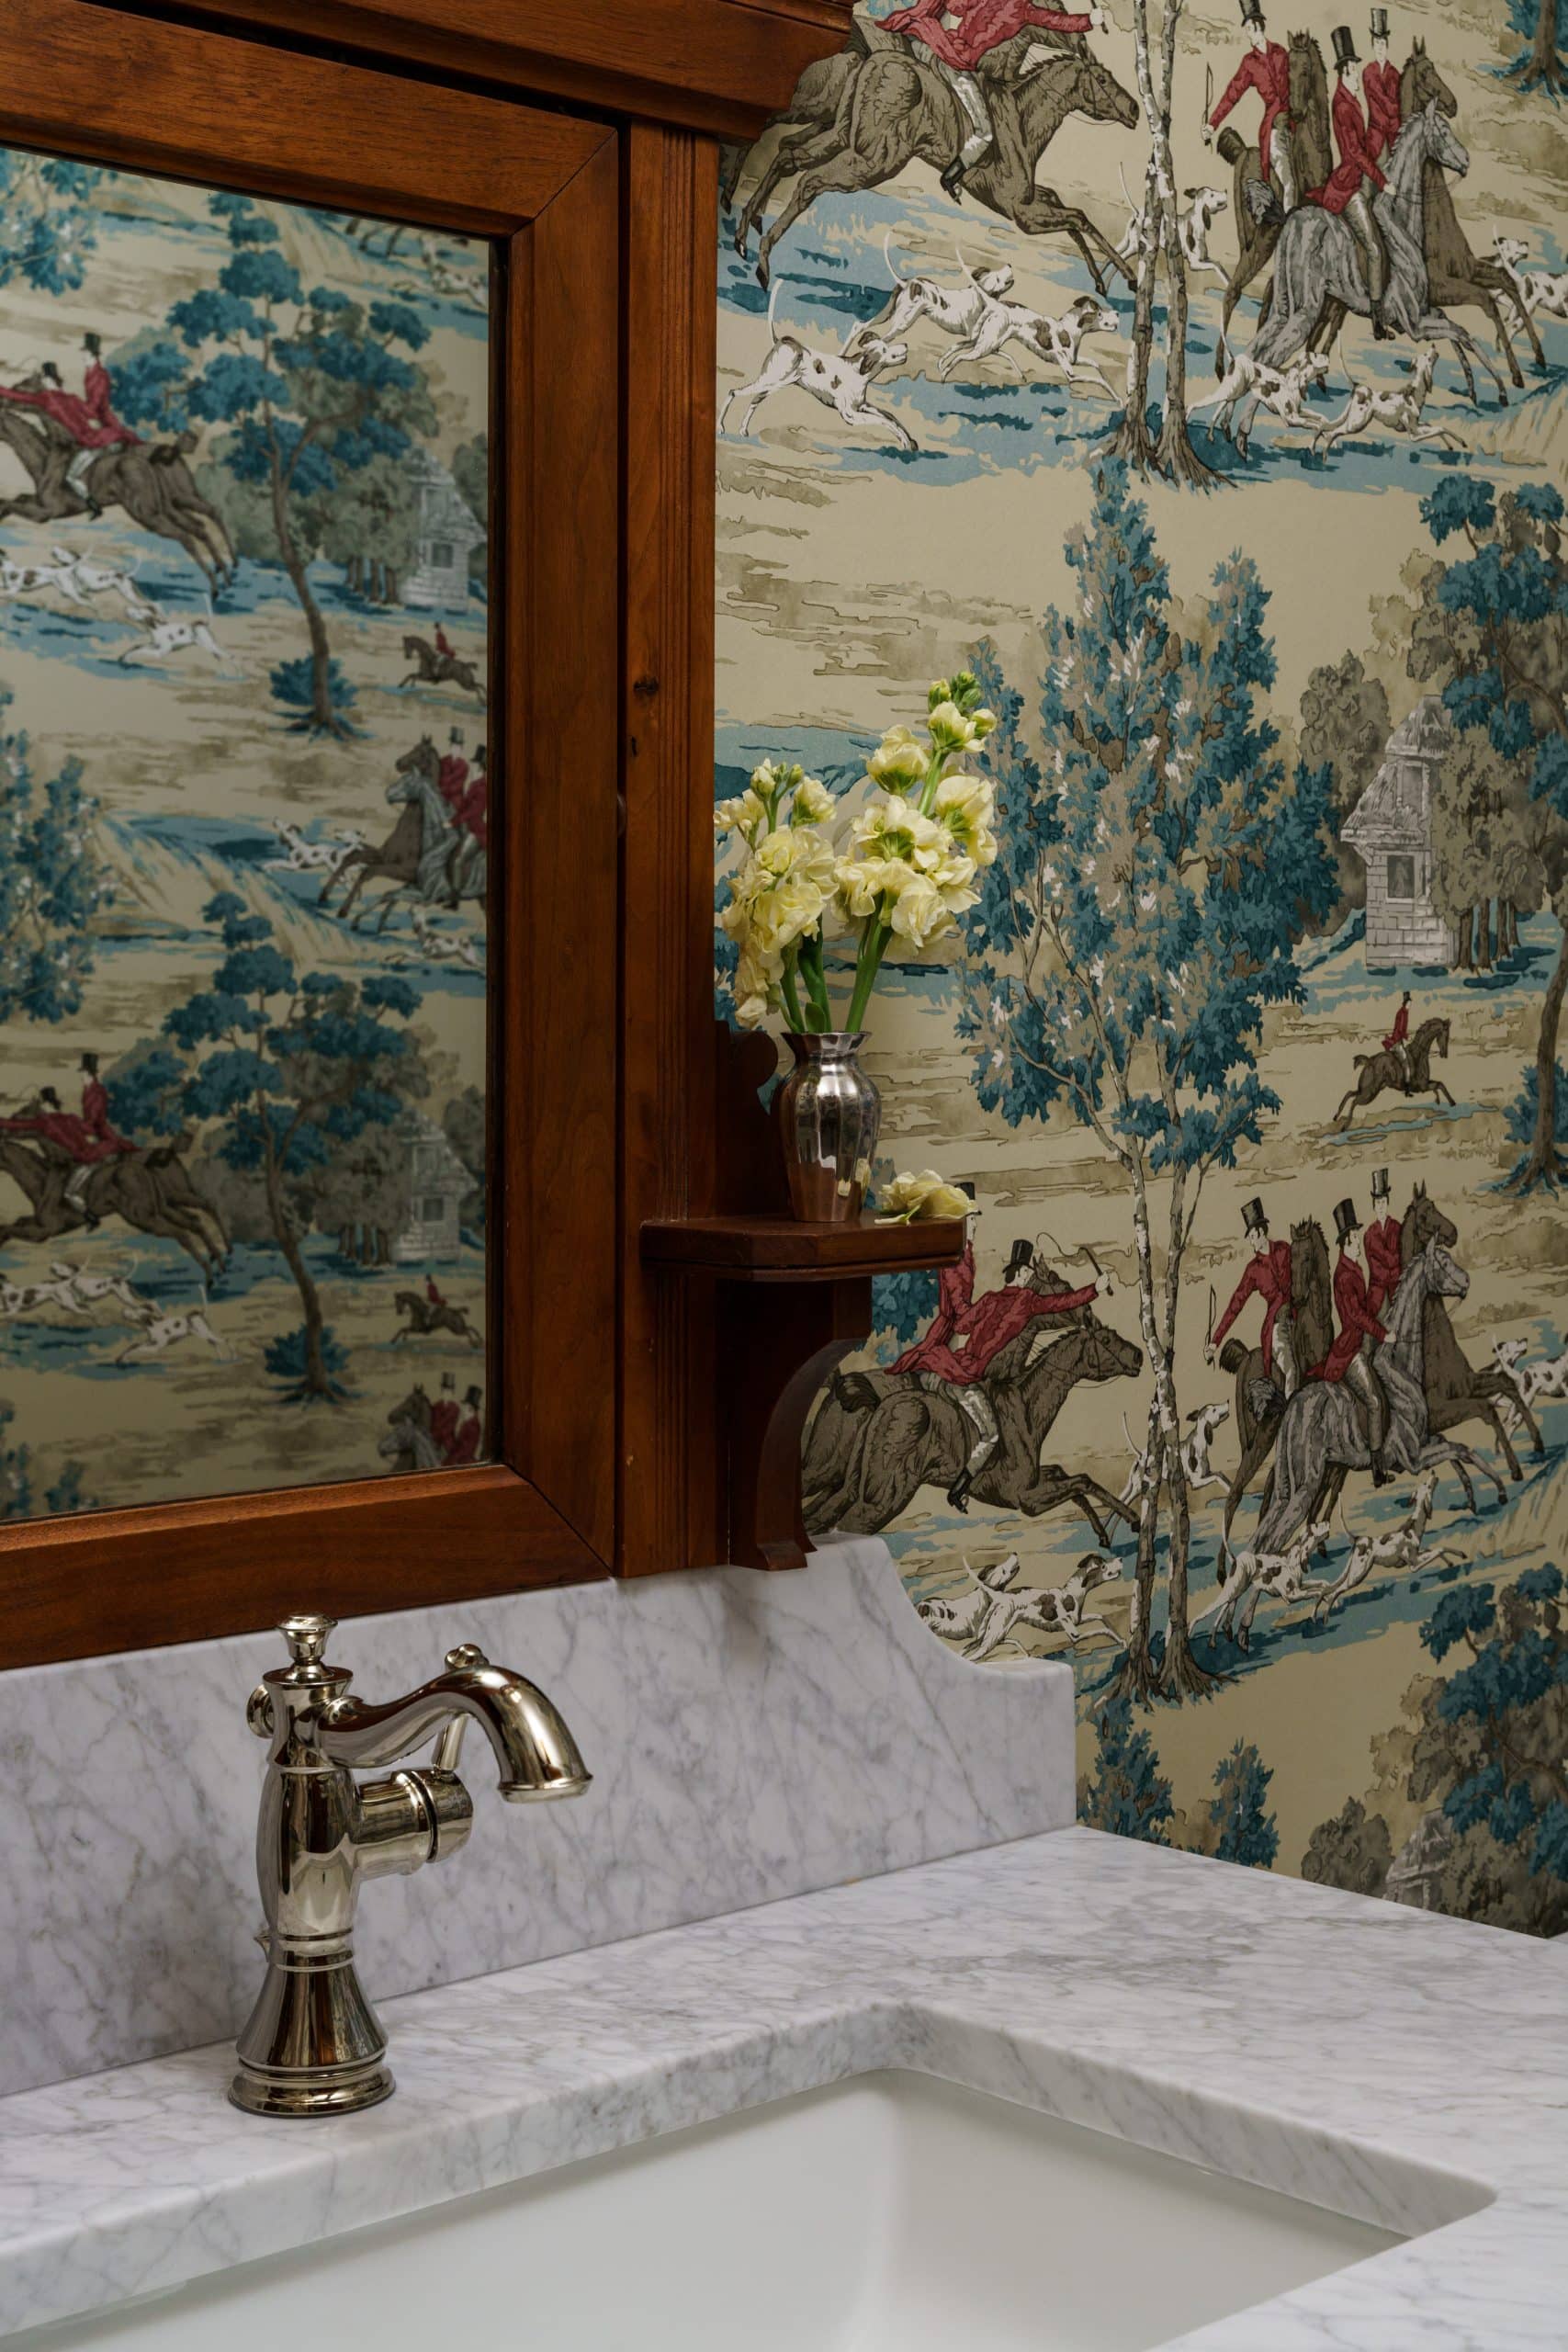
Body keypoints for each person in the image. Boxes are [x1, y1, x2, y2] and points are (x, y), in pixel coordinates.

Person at [897, 1234, 1110, 1510]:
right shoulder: (1027, 1300)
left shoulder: (988, 1299)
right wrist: (1095, 1287)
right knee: (990, 1435)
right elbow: (1061, 1303)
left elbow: (961, 1326)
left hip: (949, 1365)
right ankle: (958, 1490)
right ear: (1021, 1273)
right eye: (1030, 1275)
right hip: (968, 1380)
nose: (1031, 1280)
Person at [878, 0, 1111, 202]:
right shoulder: (1024, 10)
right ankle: (950, 178)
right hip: (954, 65)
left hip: (932, 41)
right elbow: (1058, 22)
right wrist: (1091, 19)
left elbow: (955, 6)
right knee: (984, 134)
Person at [1308, 24, 1392, 339]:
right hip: (1347, 188)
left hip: (1358, 179)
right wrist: (1382, 182)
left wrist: (1379, 128)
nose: (1358, 76)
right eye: (1354, 71)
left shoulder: (1351, 100)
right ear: (1344, 72)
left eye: (1357, 70)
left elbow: (1367, 148)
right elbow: (1355, 154)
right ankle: (1377, 319)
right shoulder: (1343, 104)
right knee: (1373, 248)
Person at [0, 333, 141, 509]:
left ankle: (88, 502)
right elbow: (90, 412)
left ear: (48, 380)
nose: (82, 355)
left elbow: (19, 396)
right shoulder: (72, 398)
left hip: (88, 440)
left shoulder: (46, 398)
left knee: (71, 476)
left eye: (44, 378)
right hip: (103, 436)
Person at [1313, 1196, 1391, 1484]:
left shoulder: (1354, 1268)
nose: (1359, 1243)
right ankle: (1378, 1468)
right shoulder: (1344, 1275)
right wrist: (1383, 1333)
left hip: (1361, 1344)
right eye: (1356, 1238)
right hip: (1349, 1352)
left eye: (1358, 1237)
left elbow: (1368, 1308)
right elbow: (1357, 1317)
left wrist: (1380, 1286)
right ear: (1346, 1242)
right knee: (1373, 1401)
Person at [1203, 0, 1297, 213]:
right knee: (1288, 179)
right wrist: (1212, 124)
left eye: (1247, 29)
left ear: (1256, 27)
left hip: (1294, 121)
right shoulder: (1249, 63)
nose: (1247, 34)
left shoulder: (1282, 53)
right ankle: (1290, 226)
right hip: (1273, 127)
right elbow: (1232, 95)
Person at [1206, 1195, 1299, 1400]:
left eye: (1251, 1236)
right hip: (1276, 1326)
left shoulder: (1285, 1249)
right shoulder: (1253, 1270)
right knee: (1291, 1370)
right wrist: (1215, 1342)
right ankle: (1292, 1422)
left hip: (1298, 1315)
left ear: (1259, 1232)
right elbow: (1235, 1305)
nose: (1250, 1241)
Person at [1362, 6, 1401, 159]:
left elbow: (1397, 100)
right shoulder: (1368, 72)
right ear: (1372, 45)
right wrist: (1394, 110)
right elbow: (1383, 102)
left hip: (1394, 133)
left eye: (1382, 43)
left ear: (1387, 45)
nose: (1380, 47)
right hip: (1376, 134)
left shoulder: (1394, 73)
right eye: (1377, 43)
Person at [1364, 1165, 1402, 1317]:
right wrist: (1394, 1268)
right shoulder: (1369, 1234)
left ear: (1388, 1203)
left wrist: (1394, 1268)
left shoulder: (1397, 1227)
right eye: (1378, 1202)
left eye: (1383, 1202)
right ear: (1374, 1205)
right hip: (1378, 1293)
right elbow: (1376, 1270)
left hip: (1397, 1288)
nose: (1380, 1206)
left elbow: (1401, 1257)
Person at [1382, 989, 1412, 1087]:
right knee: (1406, 1063)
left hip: (1398, 1040)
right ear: (1405, 1003)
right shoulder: (1402, 1013)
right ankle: (1407, 1088)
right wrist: (1407, 1037)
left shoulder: (1404, 1012)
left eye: (1410, 1004)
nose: (1410, 1006)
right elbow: (1400, 1030)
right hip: (1396, 1041)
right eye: (1409, 1004)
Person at [448, 1384, 483, 1465]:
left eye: (465, 1408)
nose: (463, 1411)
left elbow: (465, 1450)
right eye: (464, 1407)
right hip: (460, 1458)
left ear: (472, 1410)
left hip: (465, 1461)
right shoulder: (467, 1423)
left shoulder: (473, 1427)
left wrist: (452, 1458)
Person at [436, 727, 468, 817]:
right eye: (454, 747)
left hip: (455, 798)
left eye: (458, 748)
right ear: (450, 746)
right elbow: (438, 777)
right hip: (440, 795)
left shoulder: (464, 765)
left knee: (457, 812)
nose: (455, 750)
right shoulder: (442, 761)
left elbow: (457, 786)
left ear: (461, 749)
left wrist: (442, 789)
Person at [430, 1371, 461, 1458]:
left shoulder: (455, 1408)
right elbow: (432, 1424)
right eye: (445, 1391)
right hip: (434, 1440)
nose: (446, 1394)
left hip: (448, 1443)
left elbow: (449, 1428)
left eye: (449, 1391)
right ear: (441, 1391)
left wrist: (436, 1433)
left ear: (452, 1393)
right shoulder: (435, 1406)